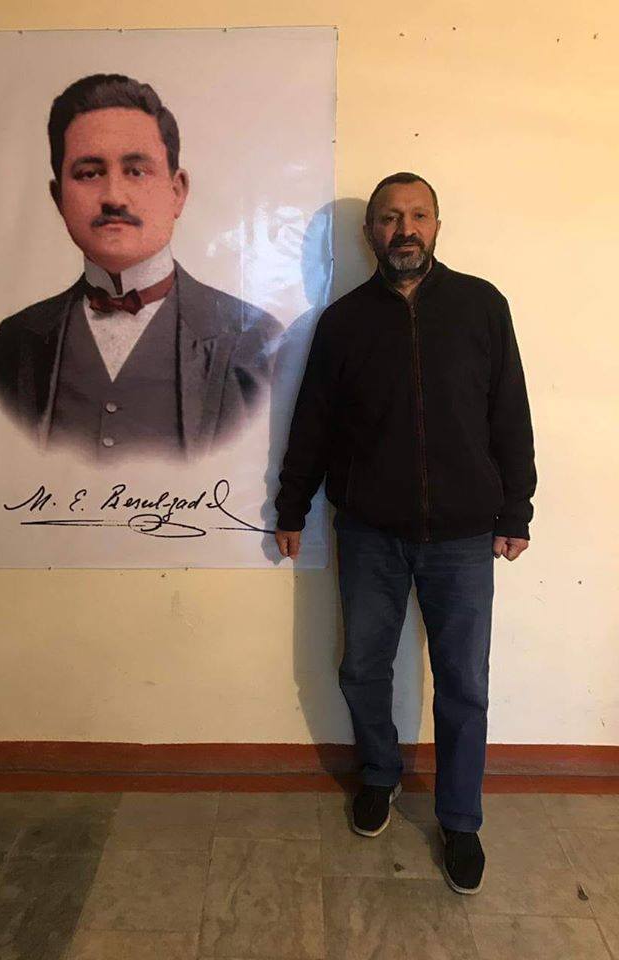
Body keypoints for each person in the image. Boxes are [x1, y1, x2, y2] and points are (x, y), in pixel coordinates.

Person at [274, 172, 536, 895]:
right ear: (371, 234)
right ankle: (380, 775)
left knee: (464, 684)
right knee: (362, 668)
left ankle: (461, 820)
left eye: (418, 215)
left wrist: (516, 510)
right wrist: (292, 505)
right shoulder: (344, 322)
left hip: (463, 537)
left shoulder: (482, 306)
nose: (405, 230)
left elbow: (509, 413)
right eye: (390, 218)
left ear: (438, 226)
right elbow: (314, 422)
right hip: (370, 532)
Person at [0, 74, 281, 461]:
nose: (114, 197)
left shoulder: (253, 341)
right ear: (59, 197)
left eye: (136, 171)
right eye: (89, 173)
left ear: (177, 191)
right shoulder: (18, 341)